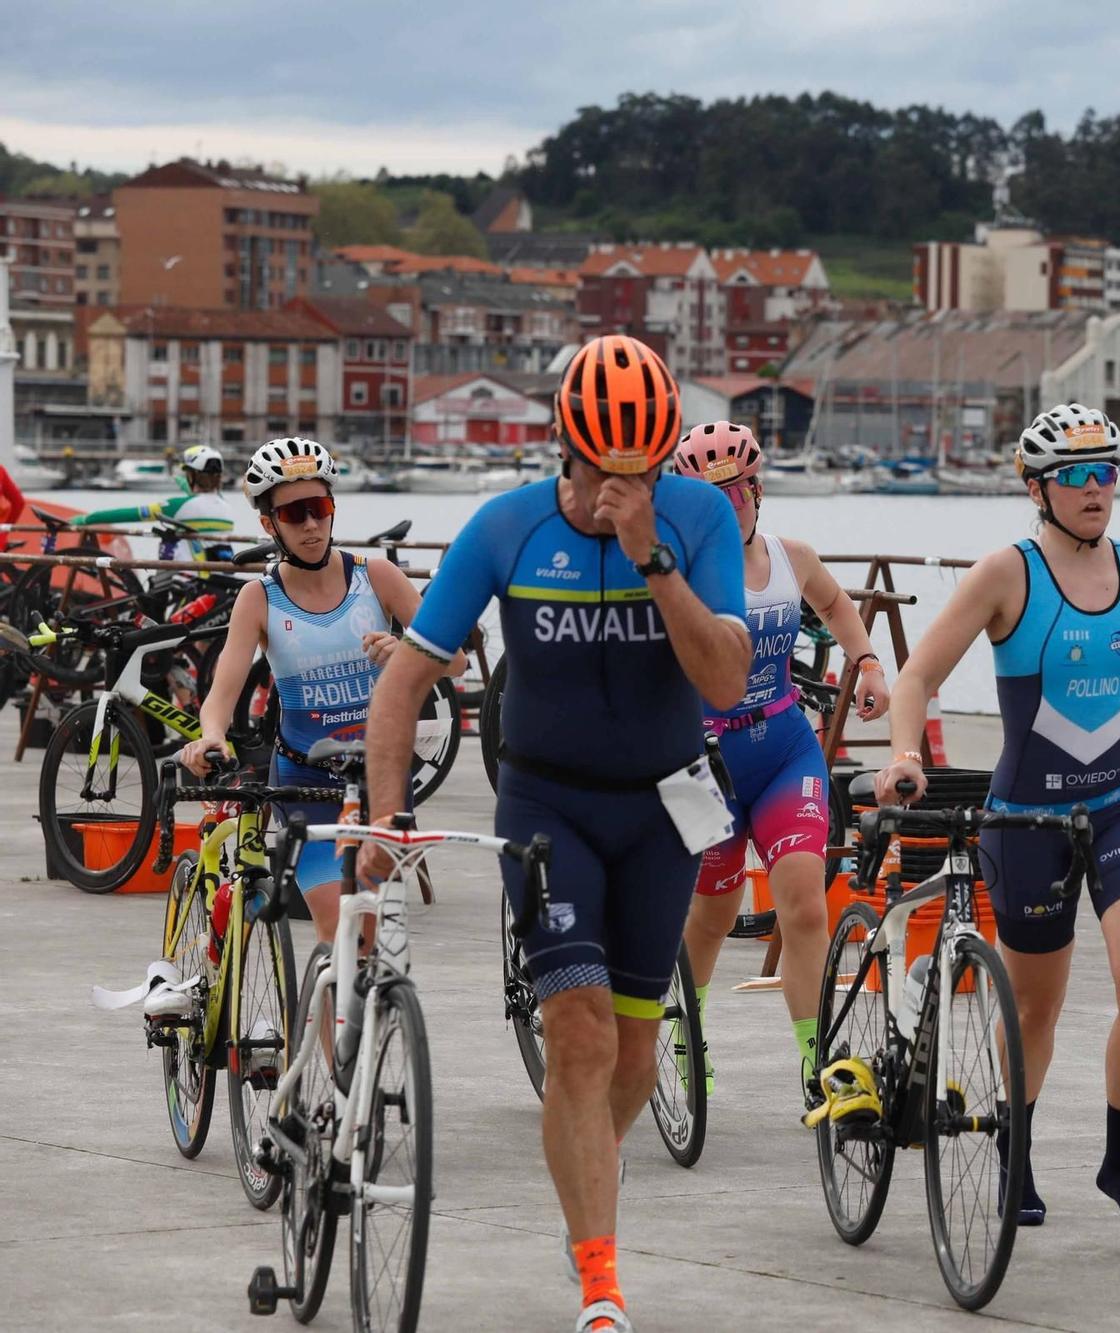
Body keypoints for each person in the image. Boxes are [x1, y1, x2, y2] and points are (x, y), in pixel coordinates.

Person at [363, 335, 750, 1333]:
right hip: (548, 804)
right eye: (601, 469)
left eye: (643, 466)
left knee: (631, 1054)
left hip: (663, 804)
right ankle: (600, 1280)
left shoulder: (700, 517)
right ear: (564, 451)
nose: (620, 485)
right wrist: (384, 814)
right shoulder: (506, 526)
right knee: (575, 1036)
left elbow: (722, 680)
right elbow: (406, 681)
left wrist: (653, 559)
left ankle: (587, 1180)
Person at [874, 402, 1120, 1241]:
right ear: (1037, 488)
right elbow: (916, 676)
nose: (1097, 489)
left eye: (1108, 472)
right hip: (1027, 816)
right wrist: (903, 752)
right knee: (1034, 1010)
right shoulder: (1006, 573)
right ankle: (1015, 1154)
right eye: (1077, 476)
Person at [668, 421, 888, 1107]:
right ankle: (687, 1032)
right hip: (700, 761)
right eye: (709, 495)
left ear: (757, 490)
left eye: (736, 490)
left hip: (784, 744)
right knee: (711, 913)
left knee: (801, 902)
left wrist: (868, 661)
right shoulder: (678, 573)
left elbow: (833, 604)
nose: (727, 505)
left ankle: (817, 1059)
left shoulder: (793, 556)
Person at [179, 436, 447, 945]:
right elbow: (223, 691)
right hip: (305, 779)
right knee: (339, 931)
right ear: (269, 524)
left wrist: (408, 651)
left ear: (332, 509)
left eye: (319, 509)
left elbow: (453, 660)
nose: (310, 525)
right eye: (295, 513)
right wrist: (210, 735)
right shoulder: (258, 598)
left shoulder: (379, 577)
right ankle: (325, 1018)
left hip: (381, 773)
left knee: (373, 934)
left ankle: (368, 1022)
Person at [70, 444, 239, 559]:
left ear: (192, 476)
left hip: (189, 579)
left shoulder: (177, 506)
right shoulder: (226, 507)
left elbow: (128, 514)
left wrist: (87, 519)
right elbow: (205, 501)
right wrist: (187, 487)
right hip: (219, 579)